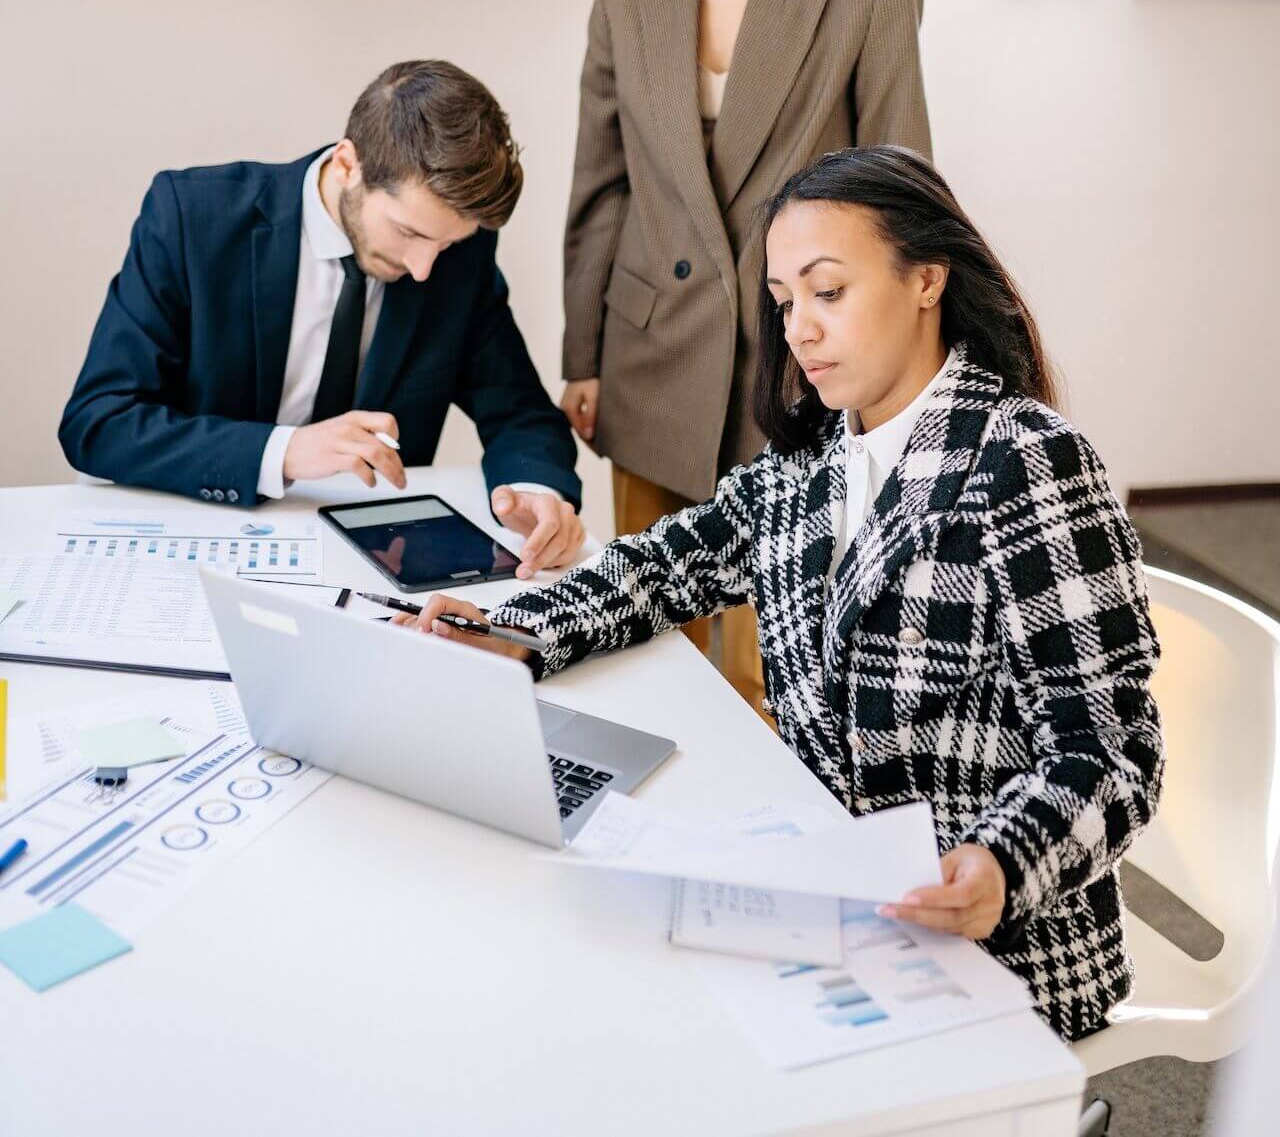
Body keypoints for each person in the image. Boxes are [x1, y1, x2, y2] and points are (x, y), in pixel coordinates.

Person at [400, 146, 1165, 1040]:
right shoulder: (810, 466)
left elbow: (1113, 752)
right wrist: (514, 629)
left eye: (828, 292)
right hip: (837, 906)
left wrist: (1000, 863)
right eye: (785, 301)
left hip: (995, 946)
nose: (799, 328)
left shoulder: (1028, 460)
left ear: (927, 277)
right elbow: (662, 567)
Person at [559, 0, 931, 712]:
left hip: (800, 355)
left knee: (787, 665)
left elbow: (902, 186)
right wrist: (582, 354)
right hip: (651, 358)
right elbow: (602, 178)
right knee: (645, 641)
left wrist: (900, 378)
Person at [60, 60, 585, 573]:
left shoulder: (461, 259)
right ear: (347, 165)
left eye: (447, 245)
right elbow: (99, 422)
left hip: (374, 563)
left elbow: (522, 414)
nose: (424, 269)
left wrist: (539, 495)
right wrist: (283, 451)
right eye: (410, 233)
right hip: (195, 540)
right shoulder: (192, 216)